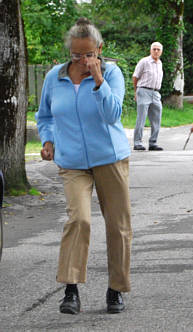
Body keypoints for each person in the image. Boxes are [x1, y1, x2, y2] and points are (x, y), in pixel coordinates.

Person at [36, 18, 132, 315]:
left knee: (118, 225)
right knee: (79, 220)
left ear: (99, 49)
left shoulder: (113, 73)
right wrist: (48, 139)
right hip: (72, 162)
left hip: (110, 158)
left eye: (88, 54)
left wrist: (99, 80)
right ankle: (71, 289)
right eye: (77, 55)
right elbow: (45, 116)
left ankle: (115, 289)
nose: (82, 60)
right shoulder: (55, 76)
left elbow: (112, 114)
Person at [133, 42, 164, 151]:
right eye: (154, 49)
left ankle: (153, 143)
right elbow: (135, 77)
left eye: (158, 50)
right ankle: (137, 142)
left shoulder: (160, 63)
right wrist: (136, 92)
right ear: (150, 50)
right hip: (143, 90)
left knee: (157, 118)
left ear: (161, 52)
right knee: (141, 118)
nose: (156, 51)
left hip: (155, 93)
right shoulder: (144, 61)